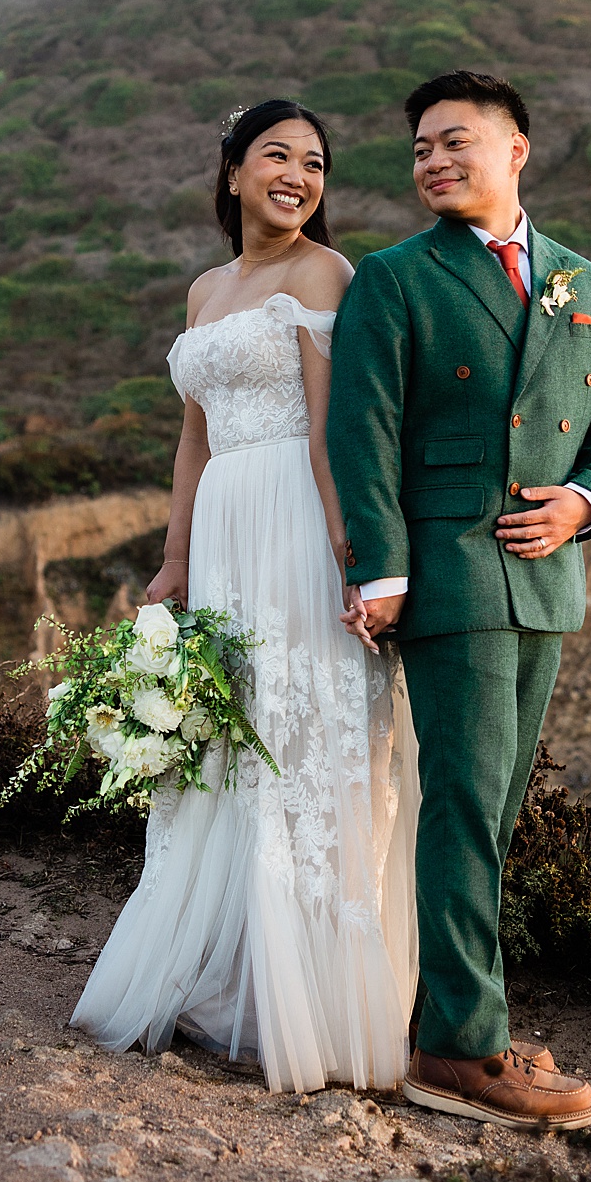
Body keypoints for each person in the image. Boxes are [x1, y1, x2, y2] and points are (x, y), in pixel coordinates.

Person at [68, 98, 420, 1094]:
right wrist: (174, 561)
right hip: (223, 527)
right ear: (230, 173)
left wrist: (356, 554)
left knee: (302, 742)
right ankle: (218, 974)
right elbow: (193, 434)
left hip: (296, 528)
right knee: (224, 740)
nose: (298, 175)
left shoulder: (326, 274)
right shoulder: (205, 288)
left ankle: (306, 1000)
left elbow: (329, 431)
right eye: (277, 155)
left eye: (315, 162)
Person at [327, 69, 591, 1130]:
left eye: (453, 141)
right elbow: (360, 429)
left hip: (547, 577)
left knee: (495, 812)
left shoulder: (582, 280)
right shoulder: (394, 277)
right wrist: (383, 568)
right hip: (450, 571)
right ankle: (461, 1051)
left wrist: (582, 504)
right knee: (461, 803)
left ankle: (459, 1011)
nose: (431, 160)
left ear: (516, 150)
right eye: (418, 147)